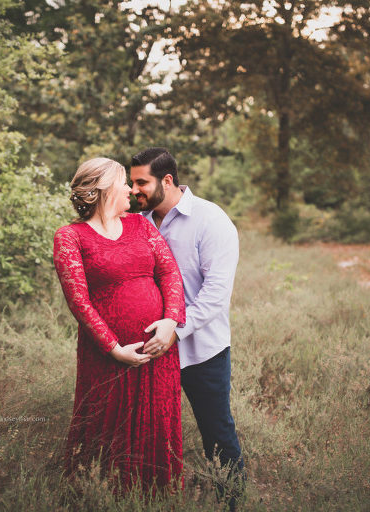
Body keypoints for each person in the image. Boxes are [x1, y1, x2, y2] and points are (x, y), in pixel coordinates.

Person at [52, 157, 186, 493]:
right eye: (125, 182)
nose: (130, 189)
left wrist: (170, 321)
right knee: (106, 426)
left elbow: (169, 272)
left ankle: (157, 495)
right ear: (105, 188)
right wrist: (114, 348)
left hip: (159, 351)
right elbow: (79, 301)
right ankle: (100, 494)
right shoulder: (71, 237)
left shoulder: (141, 226)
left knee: (155, 422)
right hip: (107, 356)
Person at [130, 147, 245, 507]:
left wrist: (176, 330)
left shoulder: (211, 220)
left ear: (167, 180)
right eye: (131, 183)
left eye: (141, 182)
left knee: (217, 434)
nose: (134, 190)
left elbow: (215, 295)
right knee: (148, 433)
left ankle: (234, 502)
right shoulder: (136, 221)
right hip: (148, 350)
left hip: (201, 351)